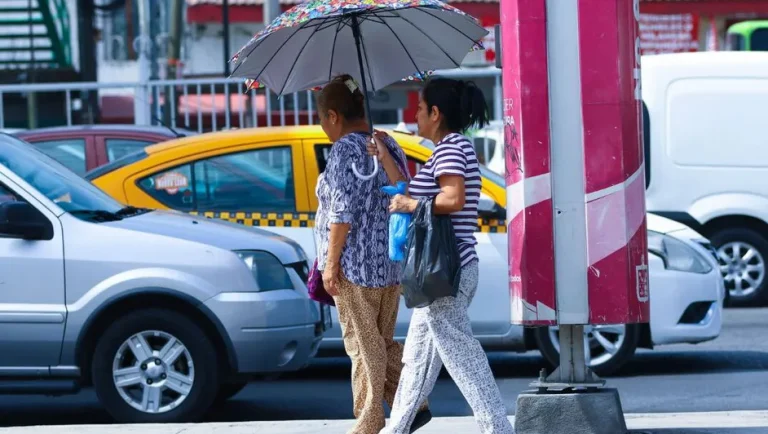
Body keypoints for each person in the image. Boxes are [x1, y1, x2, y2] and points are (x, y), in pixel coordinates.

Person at [370, 78, 514, 434]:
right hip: (440, 271)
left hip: (447, 270)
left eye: (419, 108)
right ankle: (397, 428)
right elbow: (409, 190)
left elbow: (453, 200)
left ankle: (497, 427)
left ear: (436, 113)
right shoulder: (448, 149)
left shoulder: (451, 149)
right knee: (417, 357)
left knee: (461, 353)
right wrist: (386, 156)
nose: (414, 115)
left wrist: (410, 203)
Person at [314, 74, 431, 434]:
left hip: (355, 267)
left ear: (334, 115)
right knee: (379, 342)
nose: (322, 126)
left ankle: (369, 420)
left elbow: (341, 213)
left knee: (362, 346)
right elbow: (402, 189)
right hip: (389, 264)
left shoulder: (343, 152)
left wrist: (331, 264)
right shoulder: (388, 144)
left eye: (322, 119)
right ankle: (411, 403)